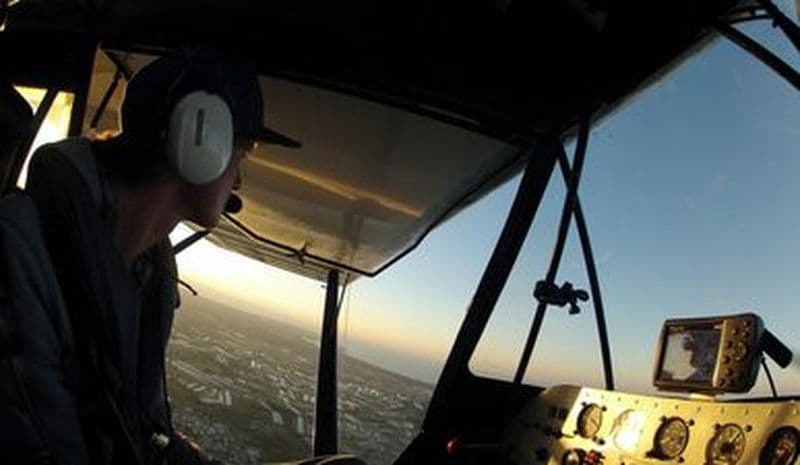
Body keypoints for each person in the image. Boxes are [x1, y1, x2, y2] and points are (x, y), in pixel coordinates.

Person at [0, 50, 299, 464]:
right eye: (242, 152)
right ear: (200, 135)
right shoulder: (17, 250)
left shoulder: (147, 274)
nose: (240, 179)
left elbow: (144, 430)